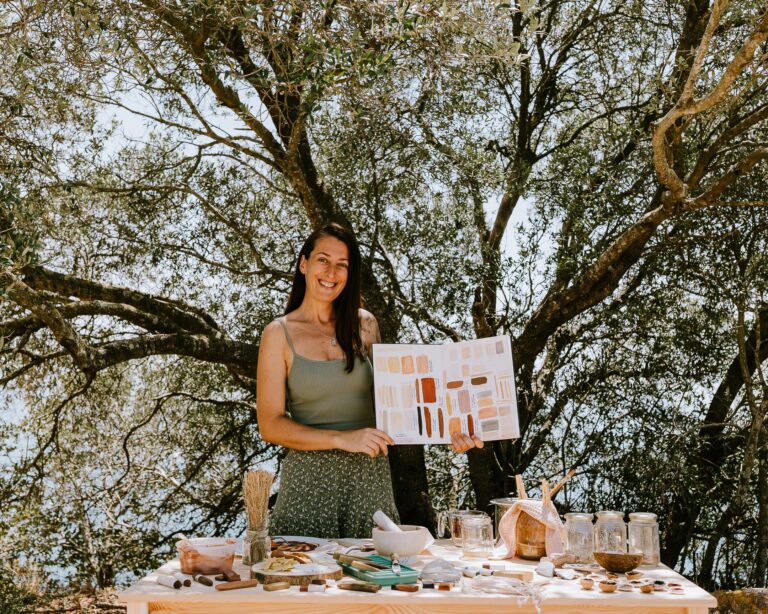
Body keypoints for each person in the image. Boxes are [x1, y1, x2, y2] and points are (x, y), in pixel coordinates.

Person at [257, 222, 482, 538]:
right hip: (307, 483)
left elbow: (397, 402)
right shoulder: (278, 334)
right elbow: (270, 425)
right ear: (303, 263)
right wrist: (343, 439)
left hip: (368, 480)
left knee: (377, 568)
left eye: (342, 264)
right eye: (323, 260)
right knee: (303, 570)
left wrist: (448, 427)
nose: (332, 272)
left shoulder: (365, 326)